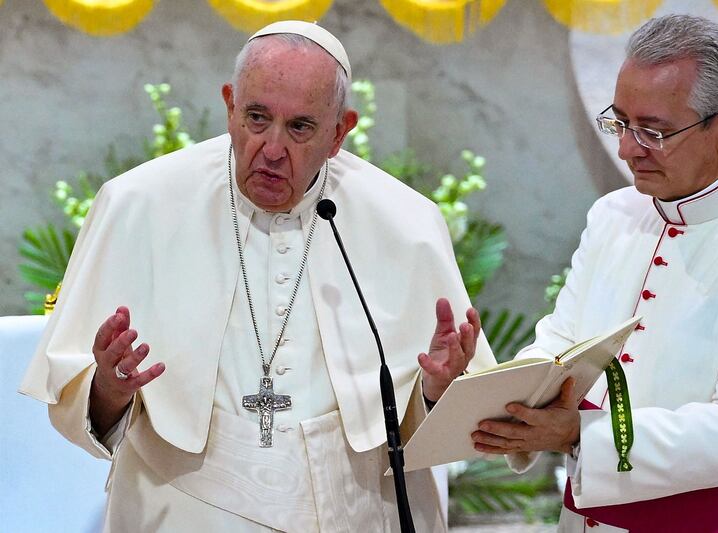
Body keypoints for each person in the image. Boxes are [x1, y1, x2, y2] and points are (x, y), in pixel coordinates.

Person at [20, 21, 495, 532]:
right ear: (229, 105)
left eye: (300, 128)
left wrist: (437, 389)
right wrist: (108, 389)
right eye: (256, 118)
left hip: (356, 506)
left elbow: (447, 421)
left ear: (340, 132)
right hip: (186, 504)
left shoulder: (407, 222)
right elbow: (72, 395)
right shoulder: (137, 204)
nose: (271, 149)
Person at [469, 14, 718, 532]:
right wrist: (472, 391)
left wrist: (579, 435)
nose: (626, 148)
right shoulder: (613, 215)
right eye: (620, 122)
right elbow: (557, 344)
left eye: (654, 131)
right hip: (586, 516)